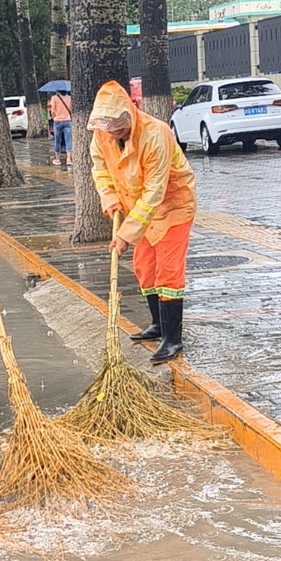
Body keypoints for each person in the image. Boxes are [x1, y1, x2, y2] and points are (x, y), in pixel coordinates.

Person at [87, 79, 196, 363]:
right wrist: (109, 199)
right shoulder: (102, 135)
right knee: (145, 266)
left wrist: (125, 234)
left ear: (129, 113)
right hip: (138, 209)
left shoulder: (155, 134)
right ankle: (158, 324)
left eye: (119, 127)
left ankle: (173, 339)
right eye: (109, 128)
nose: (114, 133)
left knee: (168, 271)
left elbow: (155, 190)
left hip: (172, 205)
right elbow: (100, 171)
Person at [47, 88, 72, 167]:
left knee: (57, 141)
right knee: (68, 140)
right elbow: (71, 109)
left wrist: (54, 117)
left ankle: (57, 159)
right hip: (68, 121)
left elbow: (53, 110)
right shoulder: (69, 97)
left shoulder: (54, 98)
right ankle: (69, 159)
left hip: (57, 121)